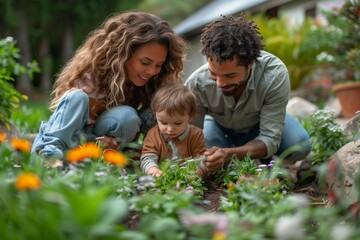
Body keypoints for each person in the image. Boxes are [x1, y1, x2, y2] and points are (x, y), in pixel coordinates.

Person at [31, 11, 187, 161]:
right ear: (125, 53)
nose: (152, 71)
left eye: (159, 65)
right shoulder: (92, 77)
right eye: (145, 62)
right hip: (68, 143)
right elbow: (75, 131)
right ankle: (47, 154)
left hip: (96, 152)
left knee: (135, 114)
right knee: (77, 97)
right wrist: (96, 142)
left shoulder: (151, 82)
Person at [184, 14, 311, 173]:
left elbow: (270, 138)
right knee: (207, 150)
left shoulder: (274, 74)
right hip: (218, 127)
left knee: (299, 144)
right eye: (213, 74)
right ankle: (237, 162)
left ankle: (272, 163)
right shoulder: (196, 83)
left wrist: (230, 154)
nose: (219, 83)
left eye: (230, 75)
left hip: (260, 125)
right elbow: (188, 139)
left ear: (250, 64)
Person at [140, 83, 207, 177]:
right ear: (155, 115)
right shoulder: (153, 134)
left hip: (187, 177)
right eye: (163, 123)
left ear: (190, 116)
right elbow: (147, 158)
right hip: (161, 178)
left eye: (178, 123)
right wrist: (154, 172)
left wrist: (194, 175)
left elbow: (201, 160)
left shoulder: (195, 134)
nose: (170, 129)